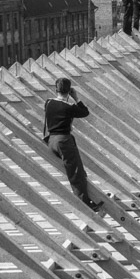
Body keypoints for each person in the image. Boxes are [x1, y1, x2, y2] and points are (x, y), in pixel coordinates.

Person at [43, 78, 101, 211]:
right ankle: (84, 205)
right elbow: (85, 112)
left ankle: (87, 199)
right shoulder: (69, 107)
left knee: (77, 171)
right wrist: (76, 98)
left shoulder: (48, 103)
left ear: (55, 89)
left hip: (52, 140)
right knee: (76, 173)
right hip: (64, 141)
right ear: (69, 91)